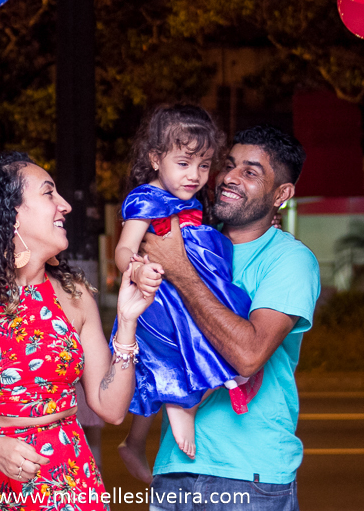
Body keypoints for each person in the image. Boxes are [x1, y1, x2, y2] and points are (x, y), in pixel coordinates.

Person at [0, 151, 154, 510]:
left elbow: (112, 409)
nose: (65, 206)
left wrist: (128, 321)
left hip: (68, 479)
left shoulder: (75, 296)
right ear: (11, 214)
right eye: (49, 193)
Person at [141, 125, 320, 511]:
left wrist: (179, 270)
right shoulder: (192, 241)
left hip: (250, 476)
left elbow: (249, 354)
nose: (229, 178)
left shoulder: (289, 259)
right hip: (174, 468)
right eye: (229, 165)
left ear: (282, 194)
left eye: (251, 172)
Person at [112, 104, 256, 474]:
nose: (195, 175)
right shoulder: (146, 198)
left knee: (224, 333)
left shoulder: (192, 199)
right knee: (189, 351)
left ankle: (135, 442)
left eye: (204, 165)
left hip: (189, 284)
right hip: (161, 290)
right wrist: (136, 269)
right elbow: (124, 248)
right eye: (184, 163)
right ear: (156, 159)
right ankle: (182, 406)